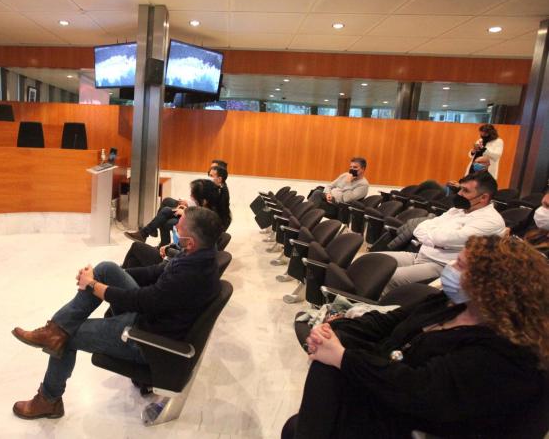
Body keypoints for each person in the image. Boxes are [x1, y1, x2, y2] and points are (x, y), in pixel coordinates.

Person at [282, 235, 549, 439]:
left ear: (491, 286)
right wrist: (334, 332)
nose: (451, 268)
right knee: (321, 380)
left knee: (324, 379)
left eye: (460, 265)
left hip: (419, 422)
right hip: (388, 391)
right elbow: (388, 321)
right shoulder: (450, 303)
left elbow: (421, 391)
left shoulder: (508, 352)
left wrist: (343, 357)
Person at [10, 206, 222, 419]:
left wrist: (93, 285)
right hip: (152, 318)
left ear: (190, 242)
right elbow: (154, 272)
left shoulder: (189, 274)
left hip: (146, 340)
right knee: (106, 269)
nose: (175, 228)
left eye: (179, 228)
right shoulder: (198, 255)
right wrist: (103, 277)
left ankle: (49, 399)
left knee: (68, 335)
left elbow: (142, 301)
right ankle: (54, 330)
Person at [378, 171, 504, 296]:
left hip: (442, 266)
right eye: (460, 189)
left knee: (387, 277)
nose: (459, 194)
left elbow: (444, 239)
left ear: (483, 197)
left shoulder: (491, 221)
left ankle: (376, 306)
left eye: (465, 191)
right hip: (419, 256)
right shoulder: (457, 210)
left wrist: (434, 237)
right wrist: (435, 239)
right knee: (374, 260)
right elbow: (420, 228)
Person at [121, 178, 226, 267]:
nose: (190, 197)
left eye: (193, 196)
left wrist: (168, 251)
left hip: (174, 263)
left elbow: (183, 254)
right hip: (176, 257)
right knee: (166, 211)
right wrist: (169, 248)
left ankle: (146, 234)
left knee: (136, 247)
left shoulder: (203, 223)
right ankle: (146, 234)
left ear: (203, 201)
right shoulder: (207, 217)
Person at [208, 164, 232, 230]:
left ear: (219, 179)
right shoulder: (219, 187)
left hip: (218, 223)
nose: (208, 178)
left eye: (211, 176)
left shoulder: (220, 191)